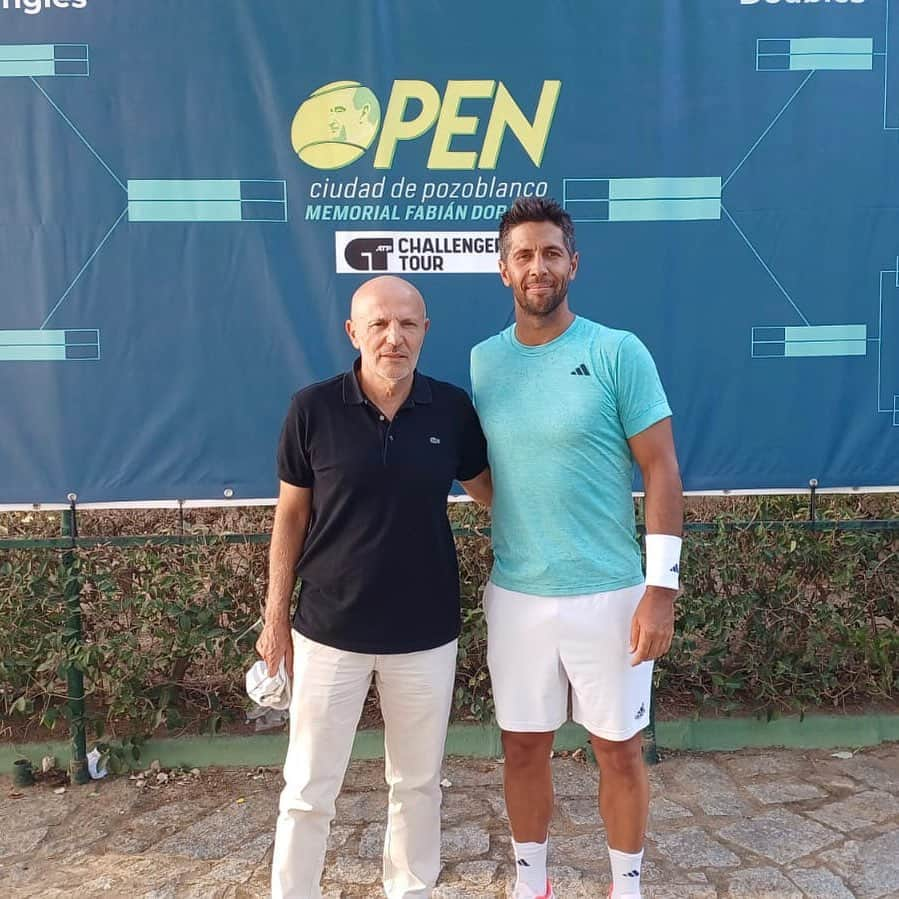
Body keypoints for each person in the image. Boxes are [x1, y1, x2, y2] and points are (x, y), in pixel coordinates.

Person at [470, 197, 683, 899]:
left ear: (573, 264)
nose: (538, 266)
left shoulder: (615, 351)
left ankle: (627, 887)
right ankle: (533, 884)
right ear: (503, 269)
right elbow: (483, 472)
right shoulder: (482, 364)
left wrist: (660, 588)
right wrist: (523, 511)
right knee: (522, 746)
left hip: (611, 594)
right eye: (524, 254)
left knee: (617, 750)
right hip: (517, 595)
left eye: (551, 252)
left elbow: (660, 468)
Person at [258, 275, 491, 899]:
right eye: (380, 324)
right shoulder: (310, 409)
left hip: (425, 633)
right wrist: (275, 614)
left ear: (425, 332)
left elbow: (495, 495)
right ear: (353, 332)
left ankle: (411, 889)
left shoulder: (452, 409)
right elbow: (291, 515)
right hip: (328, 631)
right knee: (308, 788)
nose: (394, 337)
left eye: (408, 324)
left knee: (417, 783)